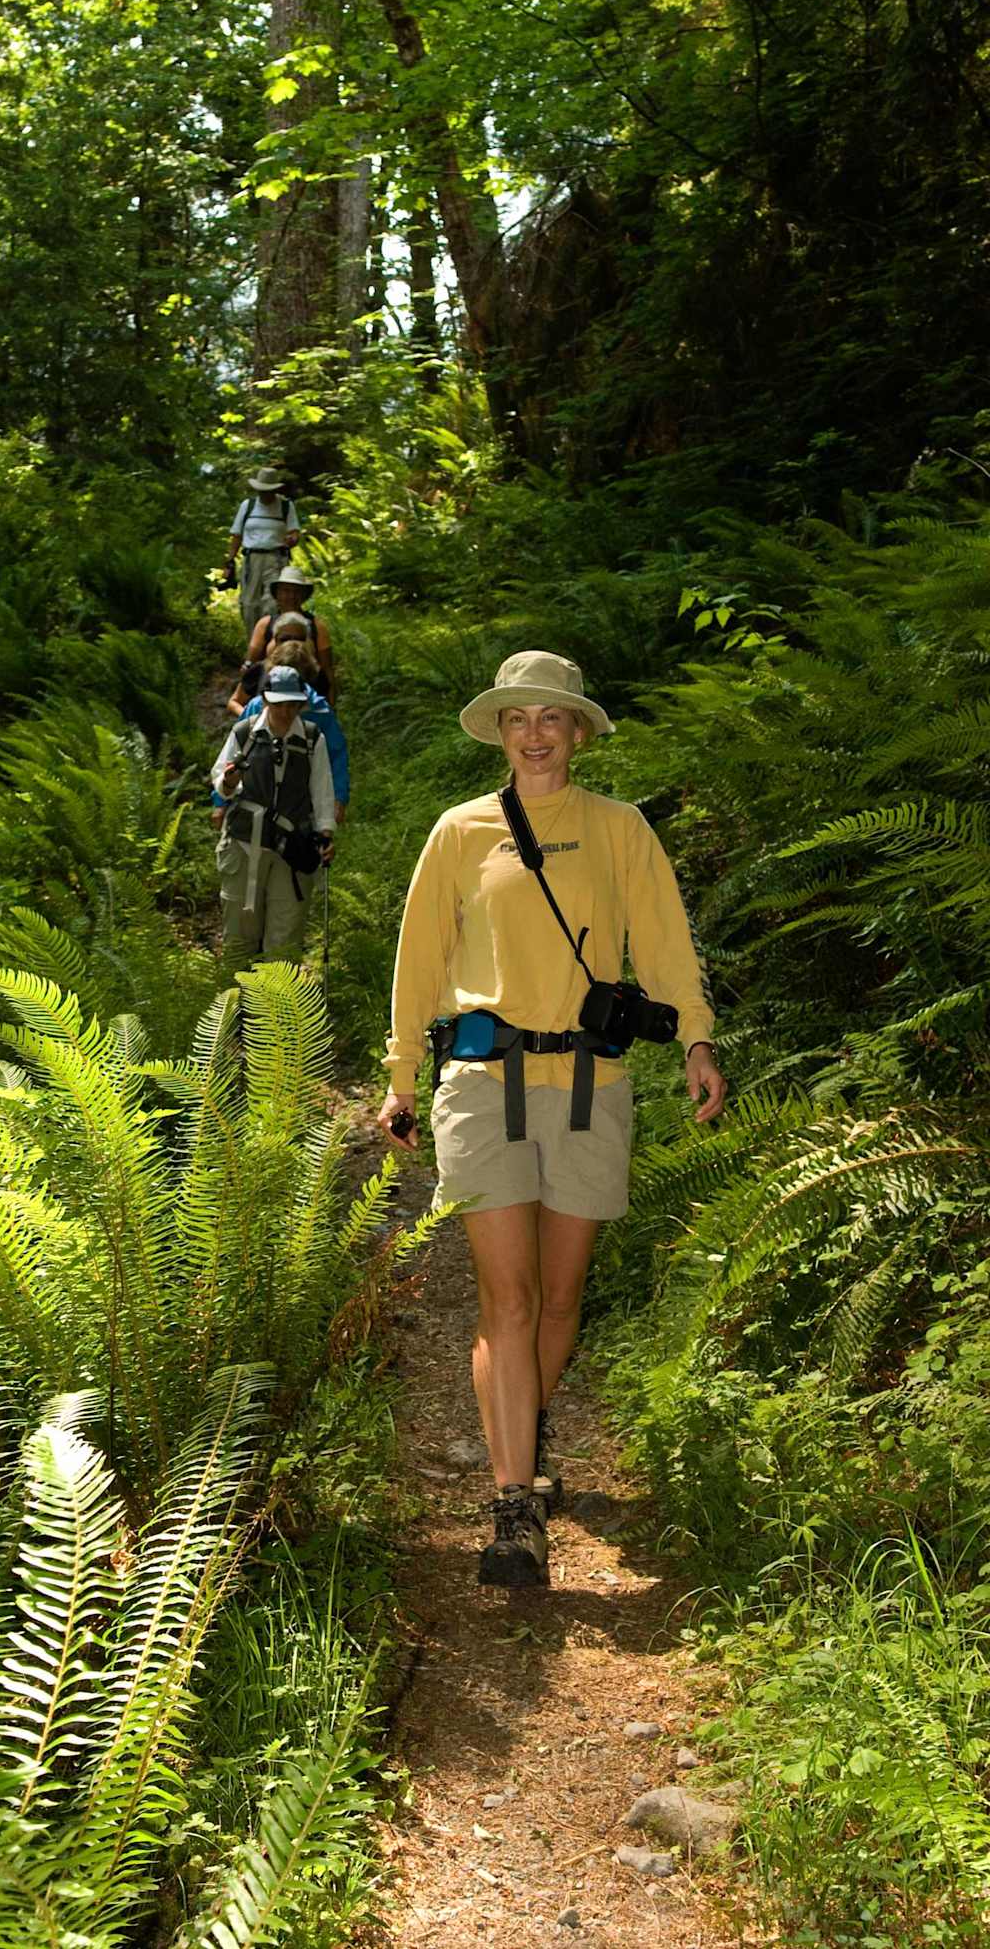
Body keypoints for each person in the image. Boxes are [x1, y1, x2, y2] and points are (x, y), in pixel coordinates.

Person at [375, 651, 725, 1590]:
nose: (535, 733)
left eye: (552, 718)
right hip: (484, 1082)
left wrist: (695, 1039)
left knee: (560, 1302)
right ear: (499, 730)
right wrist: (402, 1074)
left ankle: (523, 1433)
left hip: (589, 1085)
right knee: (510, 1301)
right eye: (518, 717)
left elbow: (662, 942)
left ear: (578, 732)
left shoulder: (620, 830)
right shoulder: (459, 832)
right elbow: (419, 959)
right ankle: (514, 1506)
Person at [211, 665, 336, 964]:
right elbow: (221, 780)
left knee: (284, 937)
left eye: (293, 704)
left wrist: (326, 834)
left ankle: (276, 1008)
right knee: (240, 936)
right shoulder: (244, 733)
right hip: (244, 844)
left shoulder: (310, 738)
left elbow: (322, 790)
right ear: (266, 701)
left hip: (292, 849)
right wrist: (228, 782)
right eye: (280, 704)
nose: (286, 711)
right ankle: (237, 1006)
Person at [216, 639, 350, 823]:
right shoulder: (258, 707)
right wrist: (220, 802)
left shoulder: (320, 711)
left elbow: (336, 755)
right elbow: (234, 754)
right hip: (257, 799)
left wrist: (338, 798)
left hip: (302, 803)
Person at [240, 566, 336, 706]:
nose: (291, 596)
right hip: (269, 695)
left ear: (303, 595)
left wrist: (330, 706)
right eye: (286, 591)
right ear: (277, 594)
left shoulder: (317, 626)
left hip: (308, 696)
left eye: (296, 591)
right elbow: (250, 664)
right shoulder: (265, 624)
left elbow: (327, 669)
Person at [226, 469, 300, 635]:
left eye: (268, 490)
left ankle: (271, 643)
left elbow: (295, 532)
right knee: (249, 604)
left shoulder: (286, 506)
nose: (265, 494)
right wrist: (229, 562)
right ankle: (254, 644)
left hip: (276, 559)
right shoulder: (248, 506)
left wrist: (293, 539)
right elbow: (236, 535)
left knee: (273, 603)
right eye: (262, 490)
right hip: (251, 560)